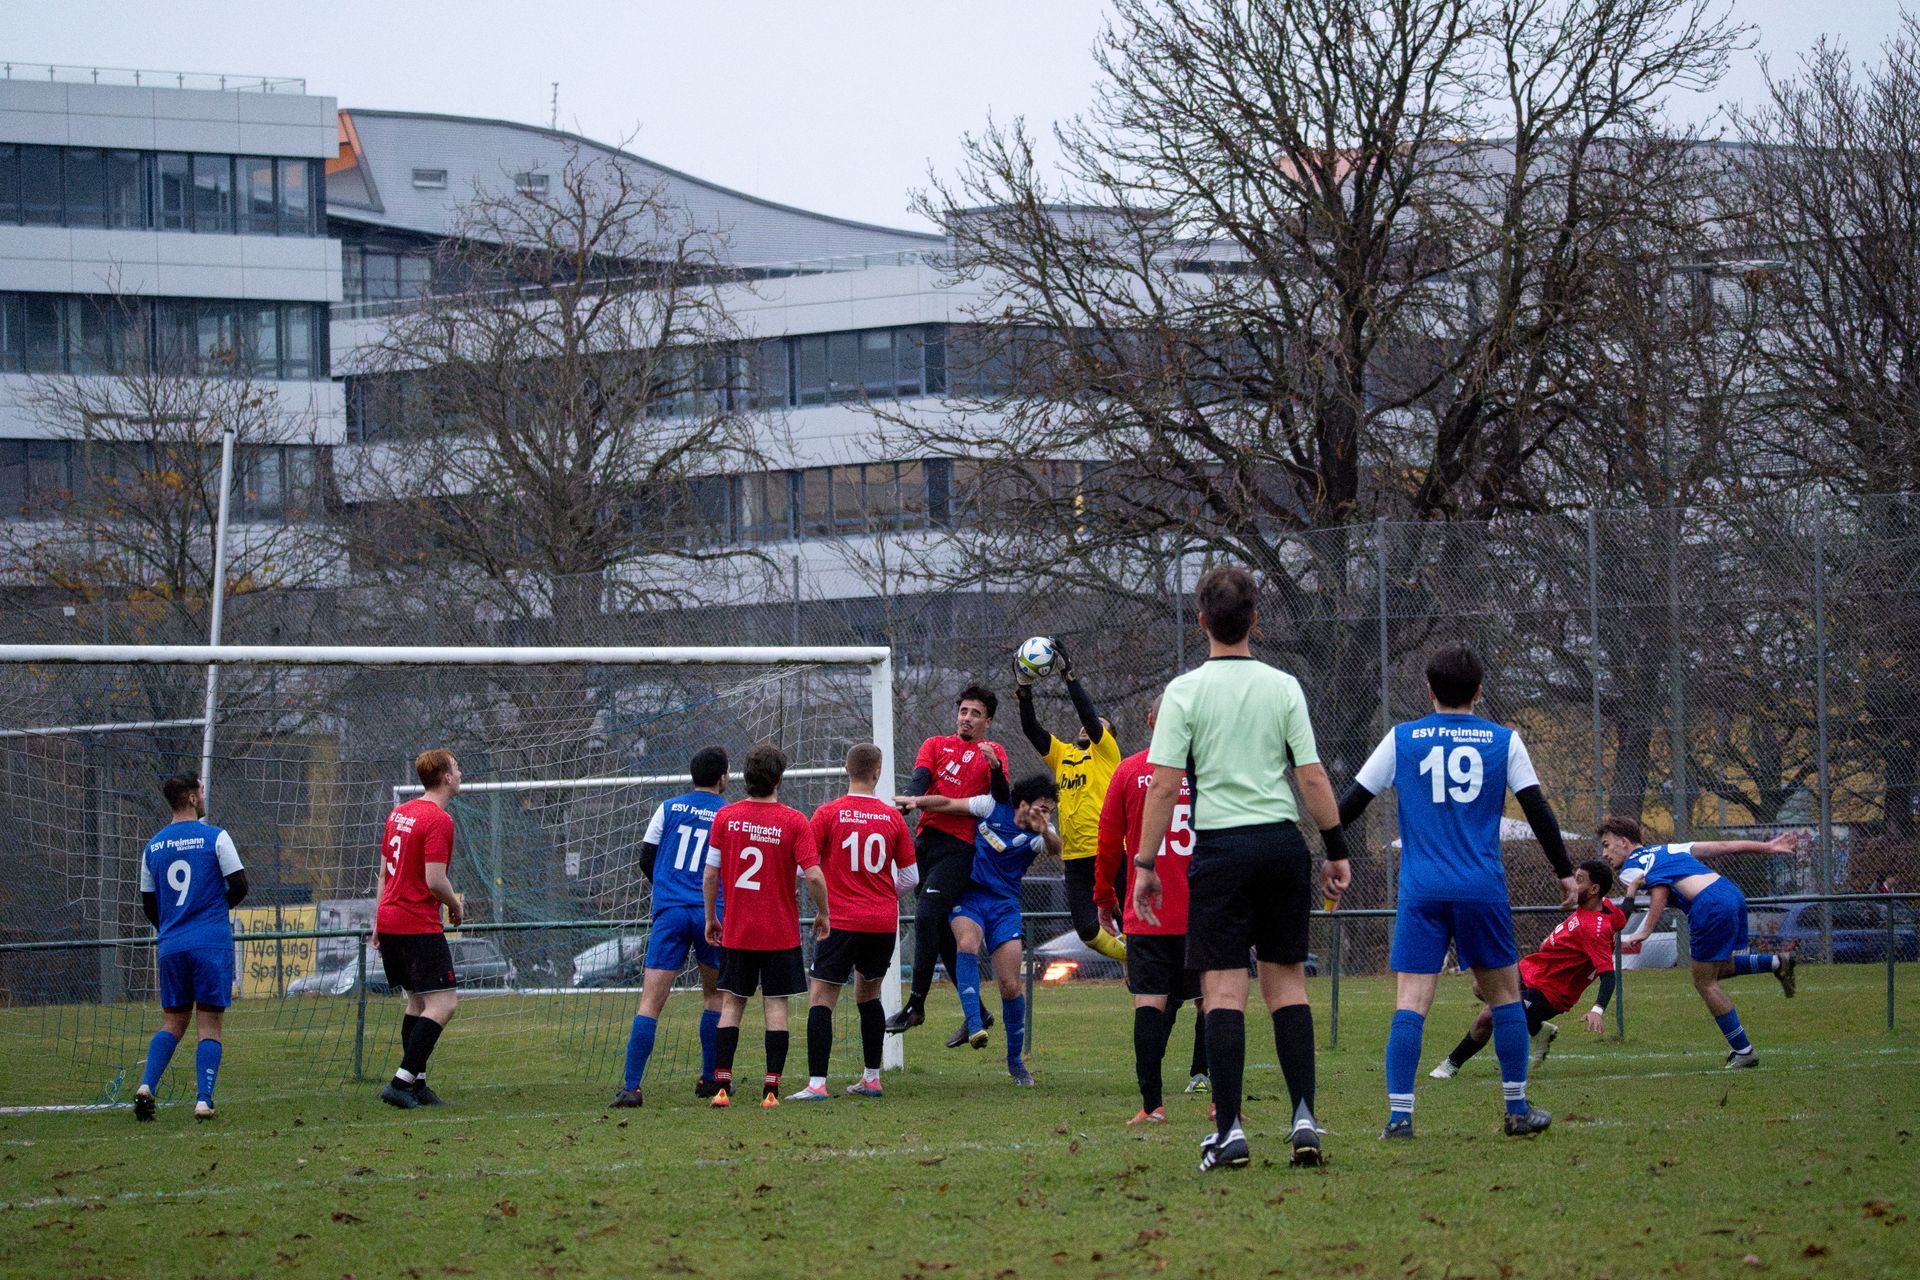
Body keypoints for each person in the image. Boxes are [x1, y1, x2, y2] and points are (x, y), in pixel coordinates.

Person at [1133, 566, 1351, 1171]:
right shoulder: (1284, 686)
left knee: (1223, 991)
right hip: (1282, 846)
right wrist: (1336, 848)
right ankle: (1303, 1117)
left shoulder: (1183, 692)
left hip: (1221, 853)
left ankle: (1229, 1132)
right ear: (1255, 620)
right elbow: (1311, 776)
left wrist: (1146, 862)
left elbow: (1164, 786)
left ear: (1201, 620)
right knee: (1288, 986)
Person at [1339, 643, 1572, 1140]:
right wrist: (1565, 871)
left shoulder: (1402, 738)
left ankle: (1400, 1118)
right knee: (1506, 998)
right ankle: (1516, 1110)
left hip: (1421, 890)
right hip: (1480, 887)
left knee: (1411, 1002)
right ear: (1478, 691)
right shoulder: (1503, 741)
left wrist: (1333, 850)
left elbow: (1352, 803)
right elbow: (1538, 809)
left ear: (1429, 689)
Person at [899, 761, 1059, 1086]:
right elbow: (948, 803)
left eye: (1050, 811)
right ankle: (974, 1024)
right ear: (1024, 802)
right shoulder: (991, 806)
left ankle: (1016, 1063)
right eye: (1042, 808)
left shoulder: (1040, 833)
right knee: (967, 944)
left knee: (1010, 985)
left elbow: (1057, 848)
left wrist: (1044, 828)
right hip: (969, 896)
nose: (1045, 815)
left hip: (1004, 906)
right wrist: (917, 801)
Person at [1598, 817, 1801, 1067]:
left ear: (1623, 841)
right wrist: (1768, 847)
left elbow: (1660, 889)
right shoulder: (1668, 849)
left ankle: (1744, 1051)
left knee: (1704, 982)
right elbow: (1723, 847)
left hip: (1708, 905)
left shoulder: (1631, 868)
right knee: (1718, 968)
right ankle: (1777, 962)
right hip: (1730, 894)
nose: (1604, 854)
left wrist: (1646, 930)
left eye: (1606, 845)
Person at [702, 743, 830, 1109]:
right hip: (779, 934)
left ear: (745, 778)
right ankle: (770, 1090)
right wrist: (824, 912)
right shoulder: (794, 820)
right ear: (778, 779)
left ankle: (721, 1087)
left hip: (738, 930)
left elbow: (710, 874)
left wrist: (711, 917)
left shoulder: (725, 817)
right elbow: (814, 876)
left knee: (731, 1004)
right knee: (776, 1008)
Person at [789, 744, 918, 1101]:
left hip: (840, 920)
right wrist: (882, 893)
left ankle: (817, 1084)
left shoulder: (828, 813)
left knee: (821, 997)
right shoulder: (892, 818)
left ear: (847, 770)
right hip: (881, 923)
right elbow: (911, 877)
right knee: (869, 995)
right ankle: (872, 1078)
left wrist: (831, 888)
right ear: (877, 772)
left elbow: (803, 868)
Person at [1095, 695, 1199, 1125]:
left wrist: (1104, 897)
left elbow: (1107, 841)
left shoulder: (1129, 771)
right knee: (1215, 1002)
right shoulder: (1207, 769)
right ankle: (1221, 1104)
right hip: (1203, 910)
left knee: (1149, 1003)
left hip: (1147, 908)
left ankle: (1152, 1105)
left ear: (1151, 720)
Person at [886, 686, 1010, 1038]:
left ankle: (915, 1006)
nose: (967, 718)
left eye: (975, 713)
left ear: (988, 721)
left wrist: (995, 768)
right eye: (963, 711)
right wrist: (909, 800)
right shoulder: (935, 744)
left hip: (961, 849)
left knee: (926, 915)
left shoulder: (994, 751)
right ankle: (978, 1013)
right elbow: (920, 779)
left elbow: (1002, 798)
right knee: (940, 933)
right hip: (926, 844)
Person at [1430, 860, 1626, 1079]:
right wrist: (1632, 893)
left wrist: (1597, 1010)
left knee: (1488, 1016)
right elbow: (1621, 918)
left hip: (1549, 992)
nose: (1572, 883)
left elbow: (1608, 975)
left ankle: (1451, 1065)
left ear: (1594, 889)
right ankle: (1536, 1029)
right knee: (1480, 986)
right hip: (1534, 968)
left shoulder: (1595, 930)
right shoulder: (1606, 906)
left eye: (1579, 880)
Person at [611, 747, 730, 1108]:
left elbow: (646, 858)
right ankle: (710, 1078)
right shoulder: (728, 814)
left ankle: (632, 1087)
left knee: (650, 1002)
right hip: (711, 914)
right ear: (723, 777)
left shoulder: (668, 808)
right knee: (714, 997)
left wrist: (667, 887)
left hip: (671, 912)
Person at [132, 772, 247, 1121]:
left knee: (173, 1021)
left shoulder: (152, 847)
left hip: (172, 945)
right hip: (210, 943)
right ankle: (203, 1100)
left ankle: (146, 1085)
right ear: (193, 798)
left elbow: (149, 904)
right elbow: (240, 886)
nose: (204, 795)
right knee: (209, 1025)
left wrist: (173, 928)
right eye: (201, 790)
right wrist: (211, 913)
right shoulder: (216, 837)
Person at [1015, 640, 1126, 970]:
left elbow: (1089, 717)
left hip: (1110, 851)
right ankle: (1133, 957)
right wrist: (1024, 689)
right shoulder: (1063, 754)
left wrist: (1069, 675)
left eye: (1099, 726)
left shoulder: (1106, 753)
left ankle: (1151, 967)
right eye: (1089, 725)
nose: (1087, 727)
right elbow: (1031, 729)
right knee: (1087, 931)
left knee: (1135, 920)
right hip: (1076, 858)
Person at [374, 749, 466, 1110]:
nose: (460, 773)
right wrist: (455, 904)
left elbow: (384, 872)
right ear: (446, 776)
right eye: (456, 767)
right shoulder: (438, 820)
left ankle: (418, 1084)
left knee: (417, 1002)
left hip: (391, 920)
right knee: (444, 1003)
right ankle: (400, 1082)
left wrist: (378, 920)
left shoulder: (399, 813)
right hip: (416, 923)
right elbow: (434, 879)